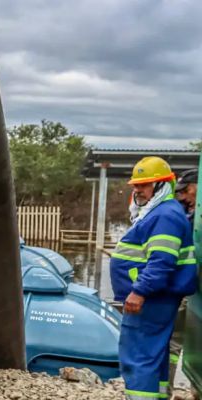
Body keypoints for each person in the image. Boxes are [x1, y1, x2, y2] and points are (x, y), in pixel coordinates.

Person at [111, 156, 197, 400]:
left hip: (150, 299)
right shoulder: (162, 212)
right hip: (157, 298)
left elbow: (162, 261)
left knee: (138, 357)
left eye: (145, 185)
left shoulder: (165, 216)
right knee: (154, 356)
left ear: (162, 185)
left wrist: (139, 292)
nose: (138, 190)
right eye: (136, 185)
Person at [169, 168, 198, 389]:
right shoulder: (187, 214)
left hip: (189, 288)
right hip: (189, 288)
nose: (184, 197)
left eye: (187, 191)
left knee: (174, 341)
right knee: (175, 341)